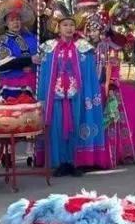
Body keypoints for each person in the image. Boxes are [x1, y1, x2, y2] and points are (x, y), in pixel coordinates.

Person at [37, 15, 105, 177]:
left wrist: (85, 93)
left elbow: (89, 75)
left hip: (78, 96)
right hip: (56, 98)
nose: (69, 28)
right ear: (58, 28)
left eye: (71, 25)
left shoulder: (83, 47)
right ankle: (60, 162)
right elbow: (45, 76)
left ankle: (76, 162)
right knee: (57, 128)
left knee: (77, 124)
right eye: (65, 25)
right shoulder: (49, 47)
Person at [86, 14, 135, 167]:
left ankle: (118, 153)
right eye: (89, 30)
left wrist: (110, 85)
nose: (91, 33)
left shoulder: (110, 47)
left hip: (108, 87)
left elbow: (114, 69)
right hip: (89, 89)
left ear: (101, 31)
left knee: (132, 103)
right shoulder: (84, 48)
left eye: (94, 30)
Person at [0, 0, 42, 103]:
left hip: (35, 83)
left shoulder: (32, 38)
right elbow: (1, 64)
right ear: (6, 23)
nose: (16, 22)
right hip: (12, 86)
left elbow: (42, 54)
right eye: (12, 20)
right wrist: (29, 60)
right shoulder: (1, 41)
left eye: (18, 19)